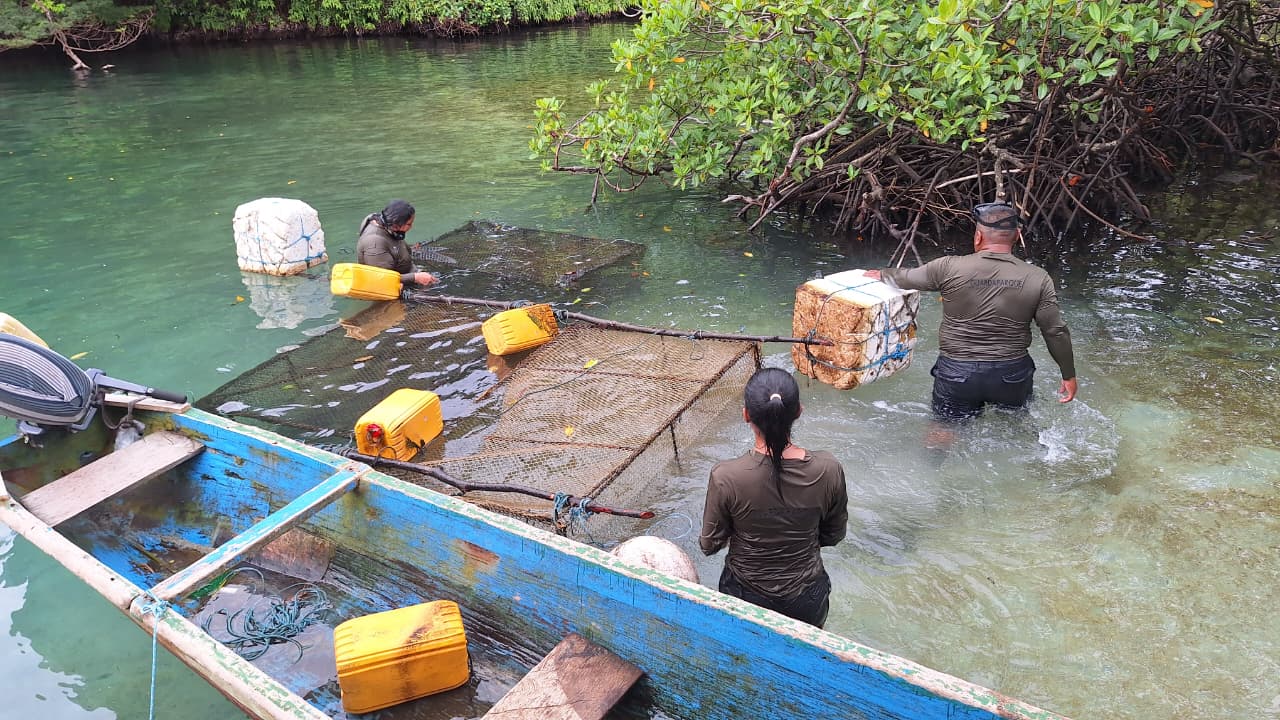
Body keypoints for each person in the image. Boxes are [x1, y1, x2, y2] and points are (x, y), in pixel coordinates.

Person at [866, 201, 1077, 421]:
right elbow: (1055, 331)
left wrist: (882, 274)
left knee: (944, 430)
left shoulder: (947, 267)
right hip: (1011, 375)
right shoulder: (1038, 277)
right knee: (1015, 427)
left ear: (978, 236)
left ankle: (935, 455)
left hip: (956, 373)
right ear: (1016, 237)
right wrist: (1068, 375)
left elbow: (906, 278)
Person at [699, 367, 848, 628]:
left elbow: (709, 545)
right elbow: (833, 536)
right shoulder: (829, 469)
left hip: (745, 596)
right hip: (807, 598)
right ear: (798, 411)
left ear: (746, 415)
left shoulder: (726, 476)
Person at [356, 199, 438, 288]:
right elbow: (381, 279)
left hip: (405, 272)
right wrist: (415, 277)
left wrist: (417, 273)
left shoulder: (387, 224)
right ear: (395, 225)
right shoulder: (374, 243)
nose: (411, 227)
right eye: (409, 224)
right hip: (387, 289)